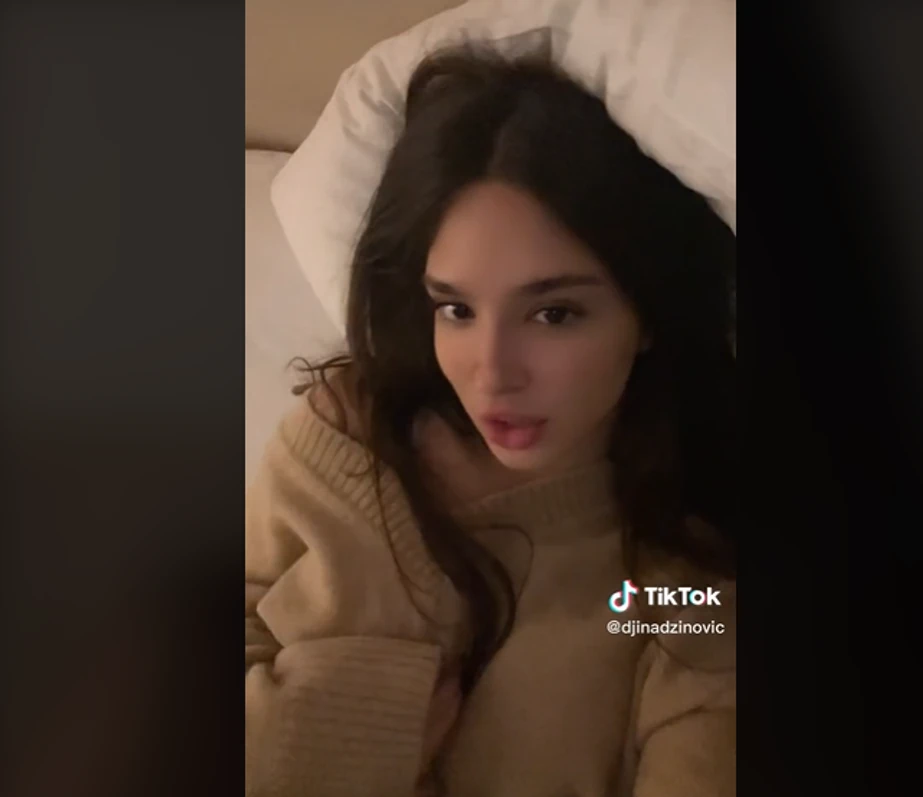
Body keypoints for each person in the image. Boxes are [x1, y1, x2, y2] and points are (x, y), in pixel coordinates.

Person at [246, 45, 736, 797]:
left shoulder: (683, 587)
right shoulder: (343, 440)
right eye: (456, 309)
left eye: (554, 313)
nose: (492, 372)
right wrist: (362, 729)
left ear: (646, 314)